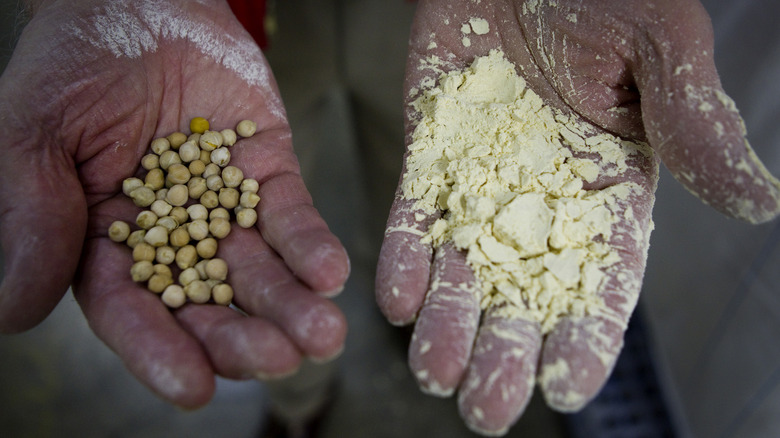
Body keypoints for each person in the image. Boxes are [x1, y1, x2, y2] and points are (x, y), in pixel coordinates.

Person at [0, 0, 777, 436]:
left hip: (469, 16)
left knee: (420, 162)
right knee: (273, 232)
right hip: (209, 19)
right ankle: (299, 407)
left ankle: (404, 321)